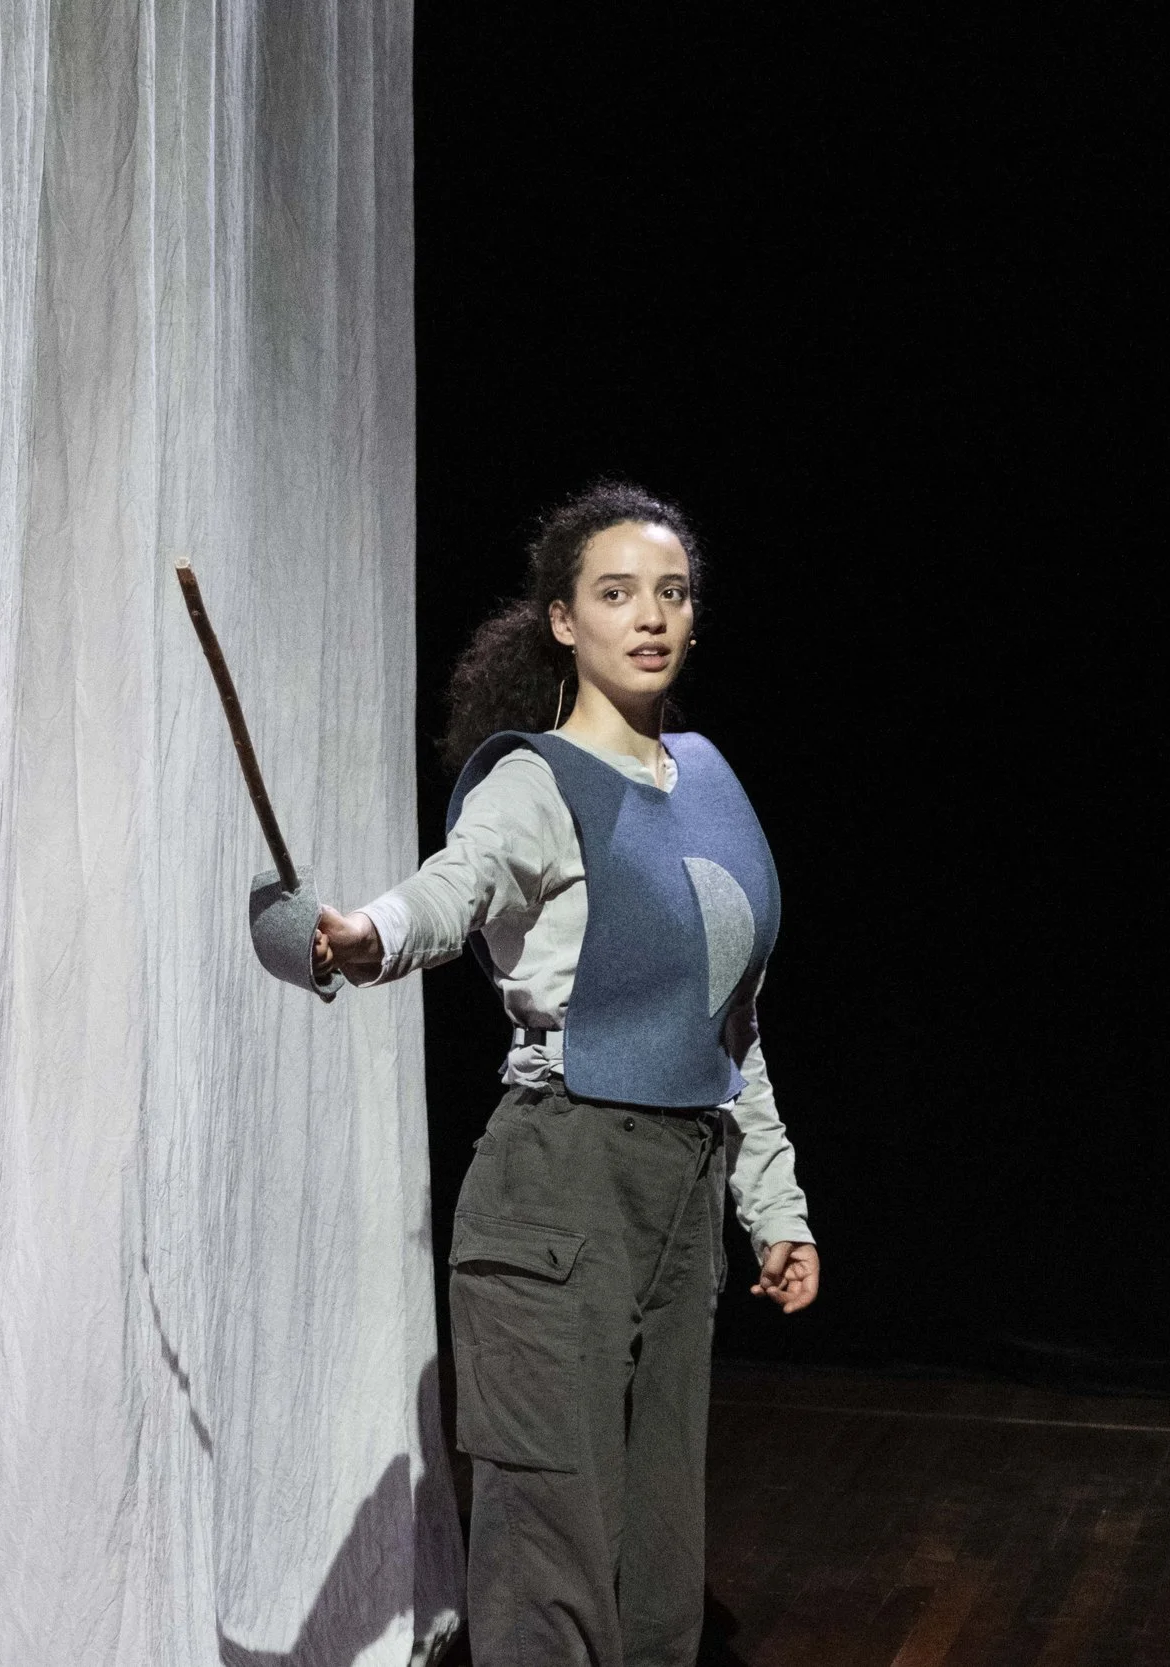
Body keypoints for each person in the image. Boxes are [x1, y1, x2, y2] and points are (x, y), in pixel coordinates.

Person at [308, 482, 817, 1667]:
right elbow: (457, 885)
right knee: (550, 1544)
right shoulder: (532, 779)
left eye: (671, 593)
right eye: (616, 593)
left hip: (680, 1191)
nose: (650, 615)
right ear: (562, 621)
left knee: (653, 1557)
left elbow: (729, 1019)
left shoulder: (704, 776)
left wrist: (772, 1205)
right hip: (561, 1178)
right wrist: (371, 934)